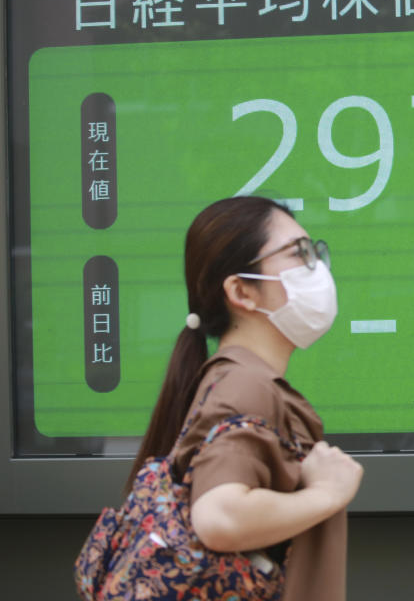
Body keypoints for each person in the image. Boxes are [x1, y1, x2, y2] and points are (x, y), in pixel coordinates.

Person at [125, 196, 364, 601]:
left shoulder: (237, 379)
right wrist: (328, 492)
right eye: (299, 254)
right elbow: (219, 516)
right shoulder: (245, 385)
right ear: (241, 291)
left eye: (316, 252)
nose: (318, 269)